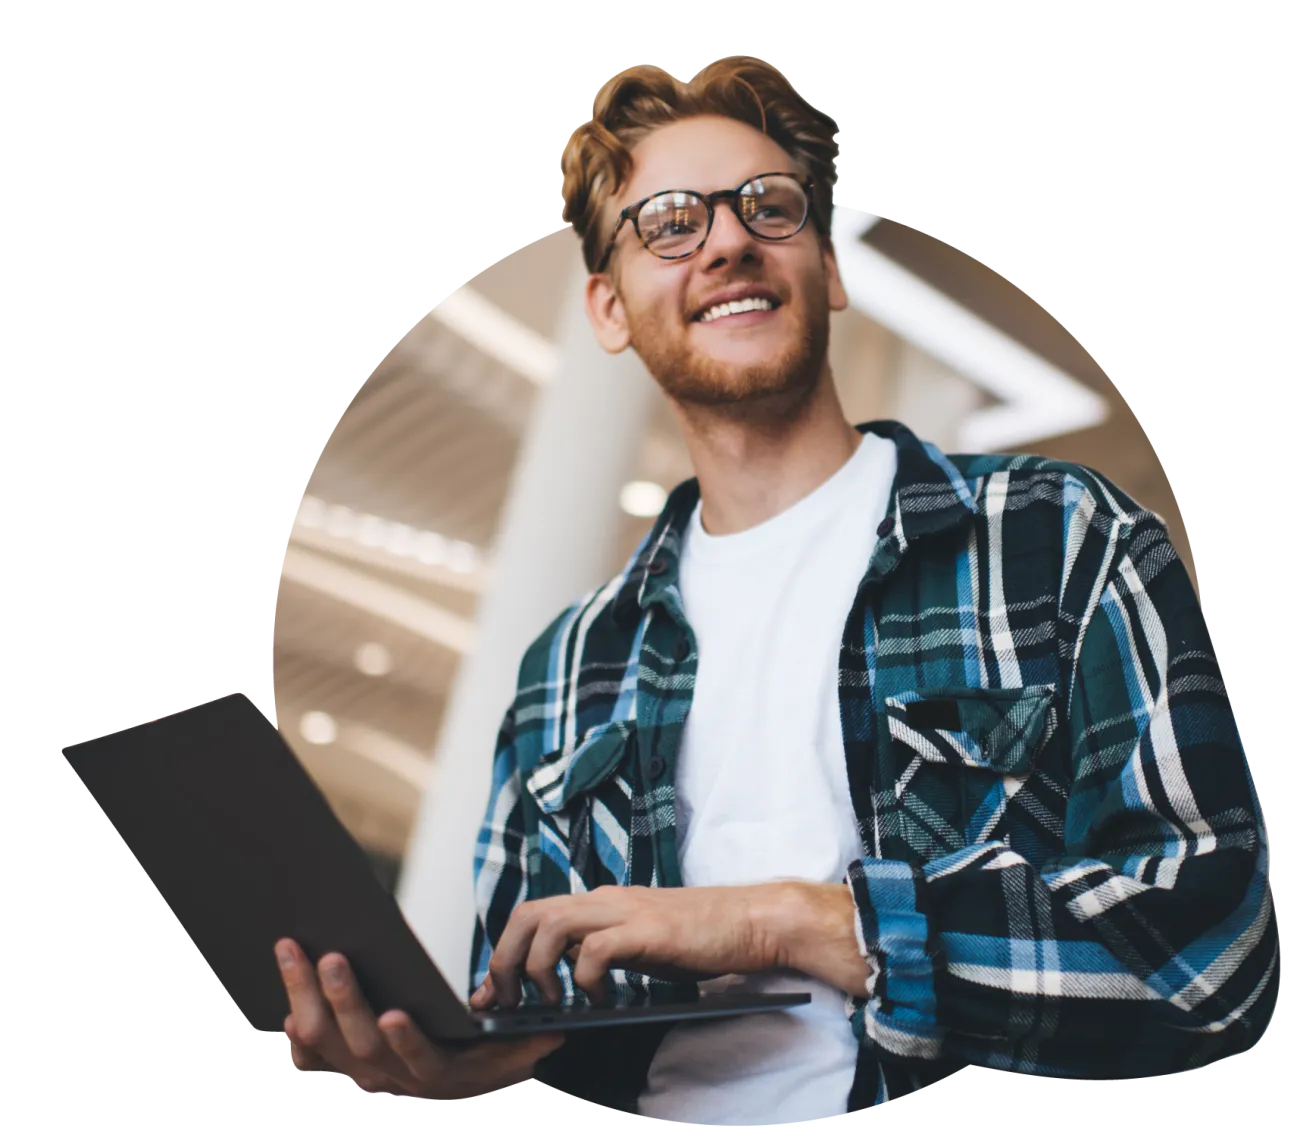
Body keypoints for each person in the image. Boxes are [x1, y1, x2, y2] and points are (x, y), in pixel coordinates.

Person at [278, 57, 1279, 1119]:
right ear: (609, 307)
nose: (725, 239)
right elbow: (542, 1027)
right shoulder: (563, 672)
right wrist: (465, 1070)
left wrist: (787, 924)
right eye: (669, 221)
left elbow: (1212, 964)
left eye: (767, 204)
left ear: (828, 267)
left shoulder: (1060, 540)